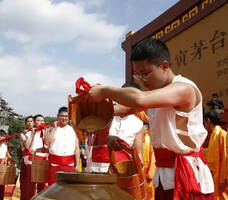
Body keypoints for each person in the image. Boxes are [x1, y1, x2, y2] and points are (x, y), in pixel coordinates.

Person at [82, 38, 214, 199]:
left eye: (145, 74)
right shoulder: (159, 97)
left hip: (187, 177)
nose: (141, 80)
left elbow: (139, 100)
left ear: (164, 66)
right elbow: (127, 108)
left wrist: (105, 91)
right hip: (165, 177)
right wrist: (93, 111)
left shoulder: (184, 89)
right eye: (137, 75)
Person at [91, 82, 145, 173]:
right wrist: (107, 139)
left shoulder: (138, 123)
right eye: (126, 96)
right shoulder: (104, 113)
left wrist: (139, 168)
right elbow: (91, 137)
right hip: (98, 165)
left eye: (132, 99)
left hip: (122, 169)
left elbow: (138, 152)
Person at [45, 107, 80, 185]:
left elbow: (77, 148)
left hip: (69, 165)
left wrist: (77, 165)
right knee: (53, 188)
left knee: (68, 189)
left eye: (66, 116)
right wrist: (54, 128)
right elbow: (47, 143)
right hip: (54, 164)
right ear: (58, 116)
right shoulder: (51, 129)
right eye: (62, 116)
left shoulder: (73, 130)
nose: (64, 118)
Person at [205, 111, 228, 200]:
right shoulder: (210, 135)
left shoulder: (222, 134)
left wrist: (222, 179)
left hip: (220, 177)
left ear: (208, 121)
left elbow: (225, 157)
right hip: (211, 175)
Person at [24, 114, 48, 199]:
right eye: (38, 120)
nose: (41, 122)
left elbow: (49, 144)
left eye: (42, 120)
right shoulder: (30, 133)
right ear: (34, 122)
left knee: (42, 186)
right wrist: (33, 134)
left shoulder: (47, 131)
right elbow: (27, 146)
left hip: (44, 161)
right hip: (33, 161)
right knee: (30, 185)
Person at [19, 116, 34, 200]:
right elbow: (26, 146)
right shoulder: (23, 134)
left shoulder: (39, 131)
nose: (29, 123)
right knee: (25, 181)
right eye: (28, 121)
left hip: (36, 158)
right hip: (27, 158)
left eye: (31, 121)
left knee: (32, 181)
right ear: (25, 123)